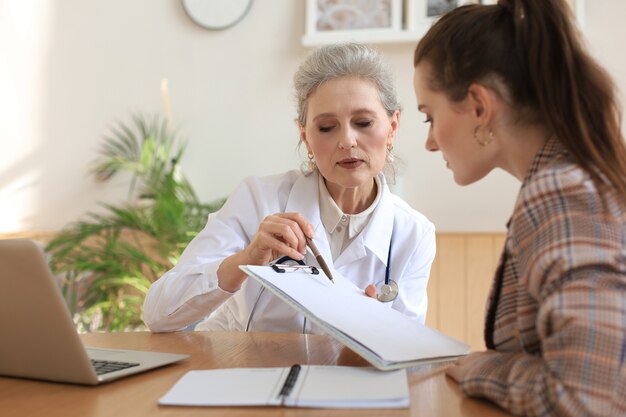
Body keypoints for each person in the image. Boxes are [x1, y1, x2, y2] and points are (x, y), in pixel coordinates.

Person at [411, 0, 626, 416]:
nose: (431, 142)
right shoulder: (572, 179)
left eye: (429, 116)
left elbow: (588, 400)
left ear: (478, 106)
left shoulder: (561, 194)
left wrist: (482, 367)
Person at [143, 43, 436, 333]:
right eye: (326, 128)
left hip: (344, 380)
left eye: (363, 122)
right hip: (239, 372)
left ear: (392, 127)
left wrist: (373, 333)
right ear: (305, 137)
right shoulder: (258, 199)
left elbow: (405, 352)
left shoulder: (413, 234)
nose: (347, 141)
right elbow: (158, 313)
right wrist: (246, 260)